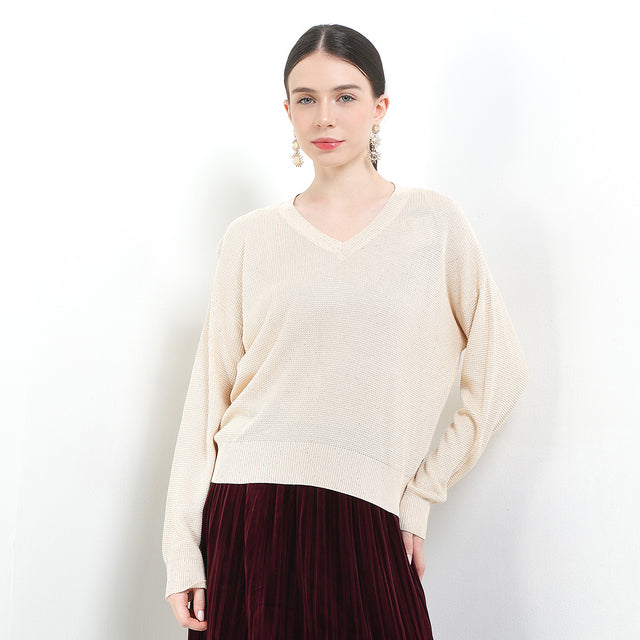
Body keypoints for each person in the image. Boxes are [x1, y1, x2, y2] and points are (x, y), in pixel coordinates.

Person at [162, 23, 529, 640]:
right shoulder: (249, 238)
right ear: (287, 110)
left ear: (380, 107)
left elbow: (502, 370)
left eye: (345, 96)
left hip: (366, 513)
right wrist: (181, 550)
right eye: (306, 98)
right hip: (247, 510)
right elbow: (208, 397)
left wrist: (422, 493)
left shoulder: (433, 224)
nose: (324, 116)